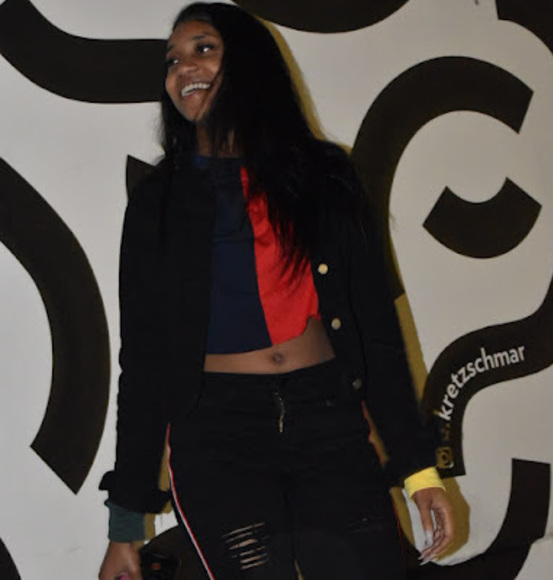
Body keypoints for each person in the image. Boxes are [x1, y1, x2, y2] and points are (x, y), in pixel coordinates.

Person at [98, 3, 454, 579]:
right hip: (218, 437)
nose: (183, 68)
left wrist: (418, 471)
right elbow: (142, 364)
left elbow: (376, 333)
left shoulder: (325, 176)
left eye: (203, 48)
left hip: (328, 418)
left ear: (248, 61)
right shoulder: (155, 203)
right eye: (172, 60)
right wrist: (124, 525)